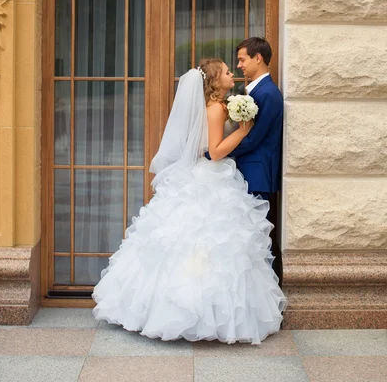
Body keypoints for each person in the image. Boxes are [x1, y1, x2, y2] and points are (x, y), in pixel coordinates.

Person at [92, 58, 286, 344]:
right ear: (215, 81)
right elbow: (217, 152)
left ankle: (170, 307)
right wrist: (244, 131)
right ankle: (210, 313)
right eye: (226, 72)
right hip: (214, 176)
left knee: (188, 242)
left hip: (197, 174)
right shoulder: (217, 108)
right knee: (216, 243)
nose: (232, 73)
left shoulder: (207, 107)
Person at [230, 38, 283, 202]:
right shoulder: (257, 91)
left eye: (242, 60)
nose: (239, 65)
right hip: (250, 173)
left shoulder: (267, 93)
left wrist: (217, 152)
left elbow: (253, 139)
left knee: (256, 226)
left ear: (258, 58)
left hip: (257, 175)